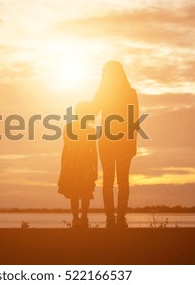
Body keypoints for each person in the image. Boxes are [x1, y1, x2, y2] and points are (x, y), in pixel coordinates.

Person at [92, 61, 139, 229]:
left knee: (110, 181)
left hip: (110, 140)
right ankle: (119, 218)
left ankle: (112, 218)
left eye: (104, 74)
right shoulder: (130, 92)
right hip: (121, 141)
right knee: (121, 180)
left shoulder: (105, 93)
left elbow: (91, 113)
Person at [58, 101, 98, 228]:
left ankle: (80, 218)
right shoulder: (71, 128)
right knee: (78, 192)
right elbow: (66, 149)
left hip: (78, 163)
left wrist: (95, 168)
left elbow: (93, 151)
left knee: (81, 192)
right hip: (75, 163)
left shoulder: (72, 128)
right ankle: (79, 218)